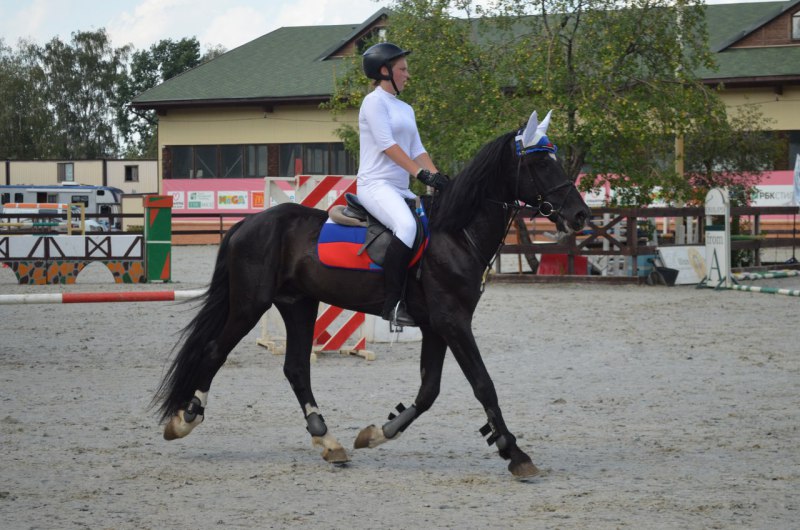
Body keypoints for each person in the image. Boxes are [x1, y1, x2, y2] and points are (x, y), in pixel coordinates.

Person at [357, 42, 448, 327]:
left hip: (399, 188)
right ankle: (392, 304)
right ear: (384, 71)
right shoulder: (374, 102)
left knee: (430, 227)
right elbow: (387, 145)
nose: (408, 75)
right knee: (407, 227)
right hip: (375, 185)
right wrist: (421, 175)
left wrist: (438, 176)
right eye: (403, 70)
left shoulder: (405, 108)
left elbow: (417, 149)